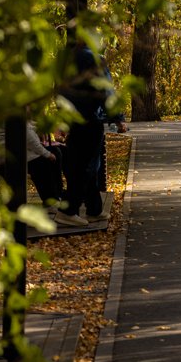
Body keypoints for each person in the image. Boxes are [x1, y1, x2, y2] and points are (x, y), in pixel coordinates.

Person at [57, 44, 109, 227]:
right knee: (88, 166)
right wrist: (117, 117)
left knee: (82, 164)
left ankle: (94, 209)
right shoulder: (94, 59)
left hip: (74, 118)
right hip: (91, 118)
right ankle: (69, 209)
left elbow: (60, 90)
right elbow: (105, 90)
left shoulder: (66, 59)